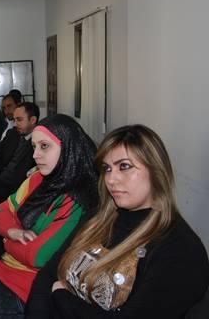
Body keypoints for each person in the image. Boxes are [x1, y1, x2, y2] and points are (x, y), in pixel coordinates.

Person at [42, 125, 209, 318]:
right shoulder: (96, 217)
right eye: (107, 169)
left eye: (124, 166)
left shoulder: (179, 248)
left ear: (156, 170)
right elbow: (47, 274)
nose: (111, 179)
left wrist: (61, 296)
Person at [0, 114, 99, 318]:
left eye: (44, 146)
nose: (35, 155)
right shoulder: (38, 179)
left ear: (68, 148)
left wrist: (4, 238)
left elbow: (38, 256)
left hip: (25, 292)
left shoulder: (79, 200)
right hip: (1, 267)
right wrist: (12, 232)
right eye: (34, 147)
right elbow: (1, 210)